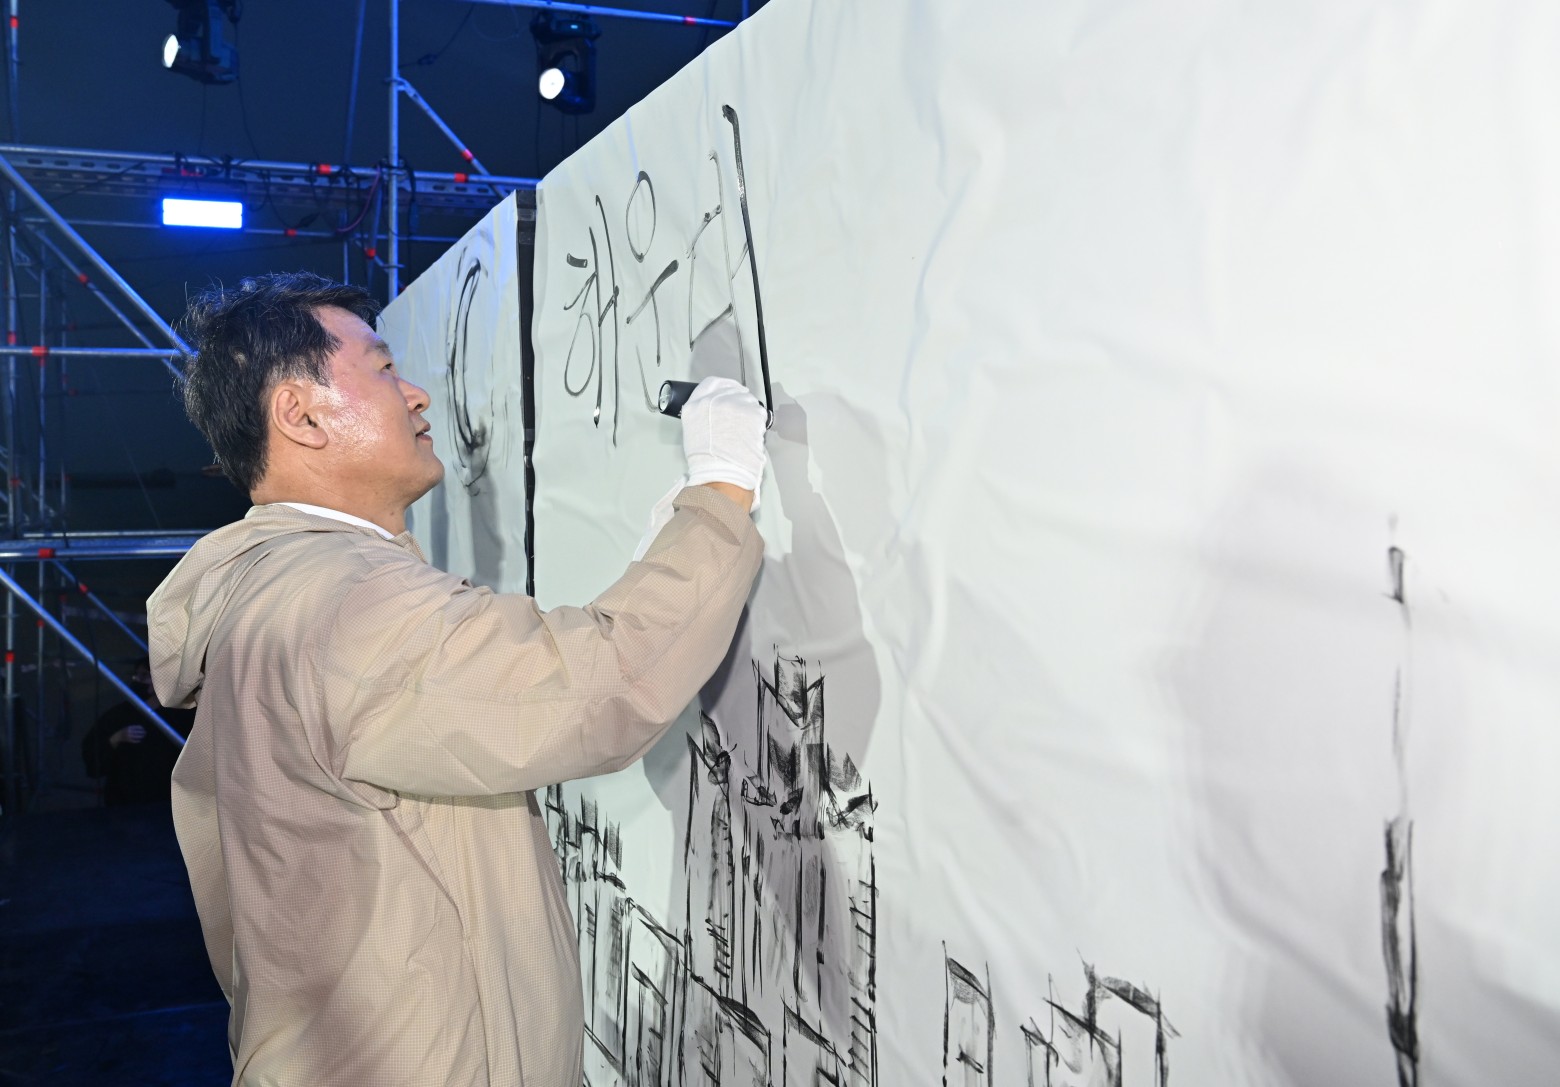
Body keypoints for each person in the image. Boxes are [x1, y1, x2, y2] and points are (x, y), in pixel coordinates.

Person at [146, 272, 765, 1086]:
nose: (416, 395)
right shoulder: (343, 605)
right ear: (300, 415)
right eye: (382, 368)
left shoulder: (271, 594)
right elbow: (599, 687)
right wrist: (722, 489)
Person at [79, 656, 194, 806]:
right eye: (136, 675)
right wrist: (116, 738)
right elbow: (92, 752)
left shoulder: (181, 716)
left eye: (145, 675)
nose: (137, 680)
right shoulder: (120, 714)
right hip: (125, 804)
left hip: (166, 804)